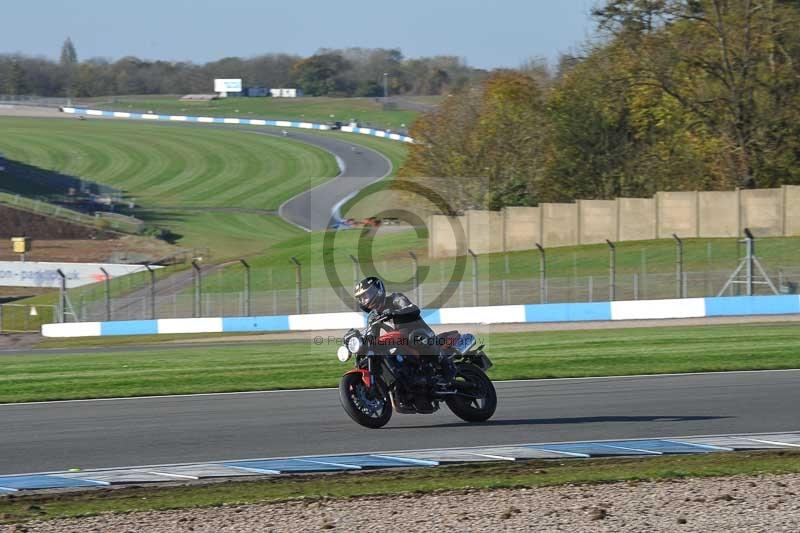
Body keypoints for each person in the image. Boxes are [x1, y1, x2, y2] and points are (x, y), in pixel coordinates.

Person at [353, 276, 455, 388]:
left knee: (417, 337)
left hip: (421, 333)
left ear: (377, 291)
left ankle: (447, 369)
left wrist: (394, 313)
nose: (364, 300)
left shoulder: (396, 298)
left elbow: (413, 309)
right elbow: (372, 336)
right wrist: (361, 342)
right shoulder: (373, 317)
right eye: (361, 298)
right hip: (401, 341)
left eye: (366, 295)